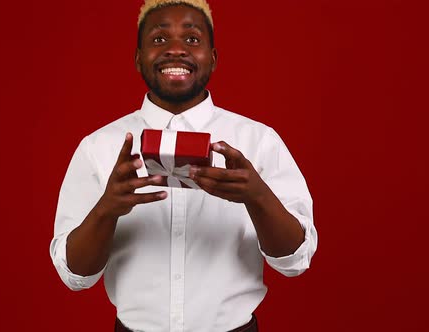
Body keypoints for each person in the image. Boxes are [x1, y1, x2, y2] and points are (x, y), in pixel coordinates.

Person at [49, 1, 317, 331]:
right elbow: (75, 275)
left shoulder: (259, 141)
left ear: (213, 58)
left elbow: (295, 261)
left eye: (191, 39)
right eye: (159, 40)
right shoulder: (98, 147)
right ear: (137, 58)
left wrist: (257, 196)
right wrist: (106, 209)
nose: (176, 50)